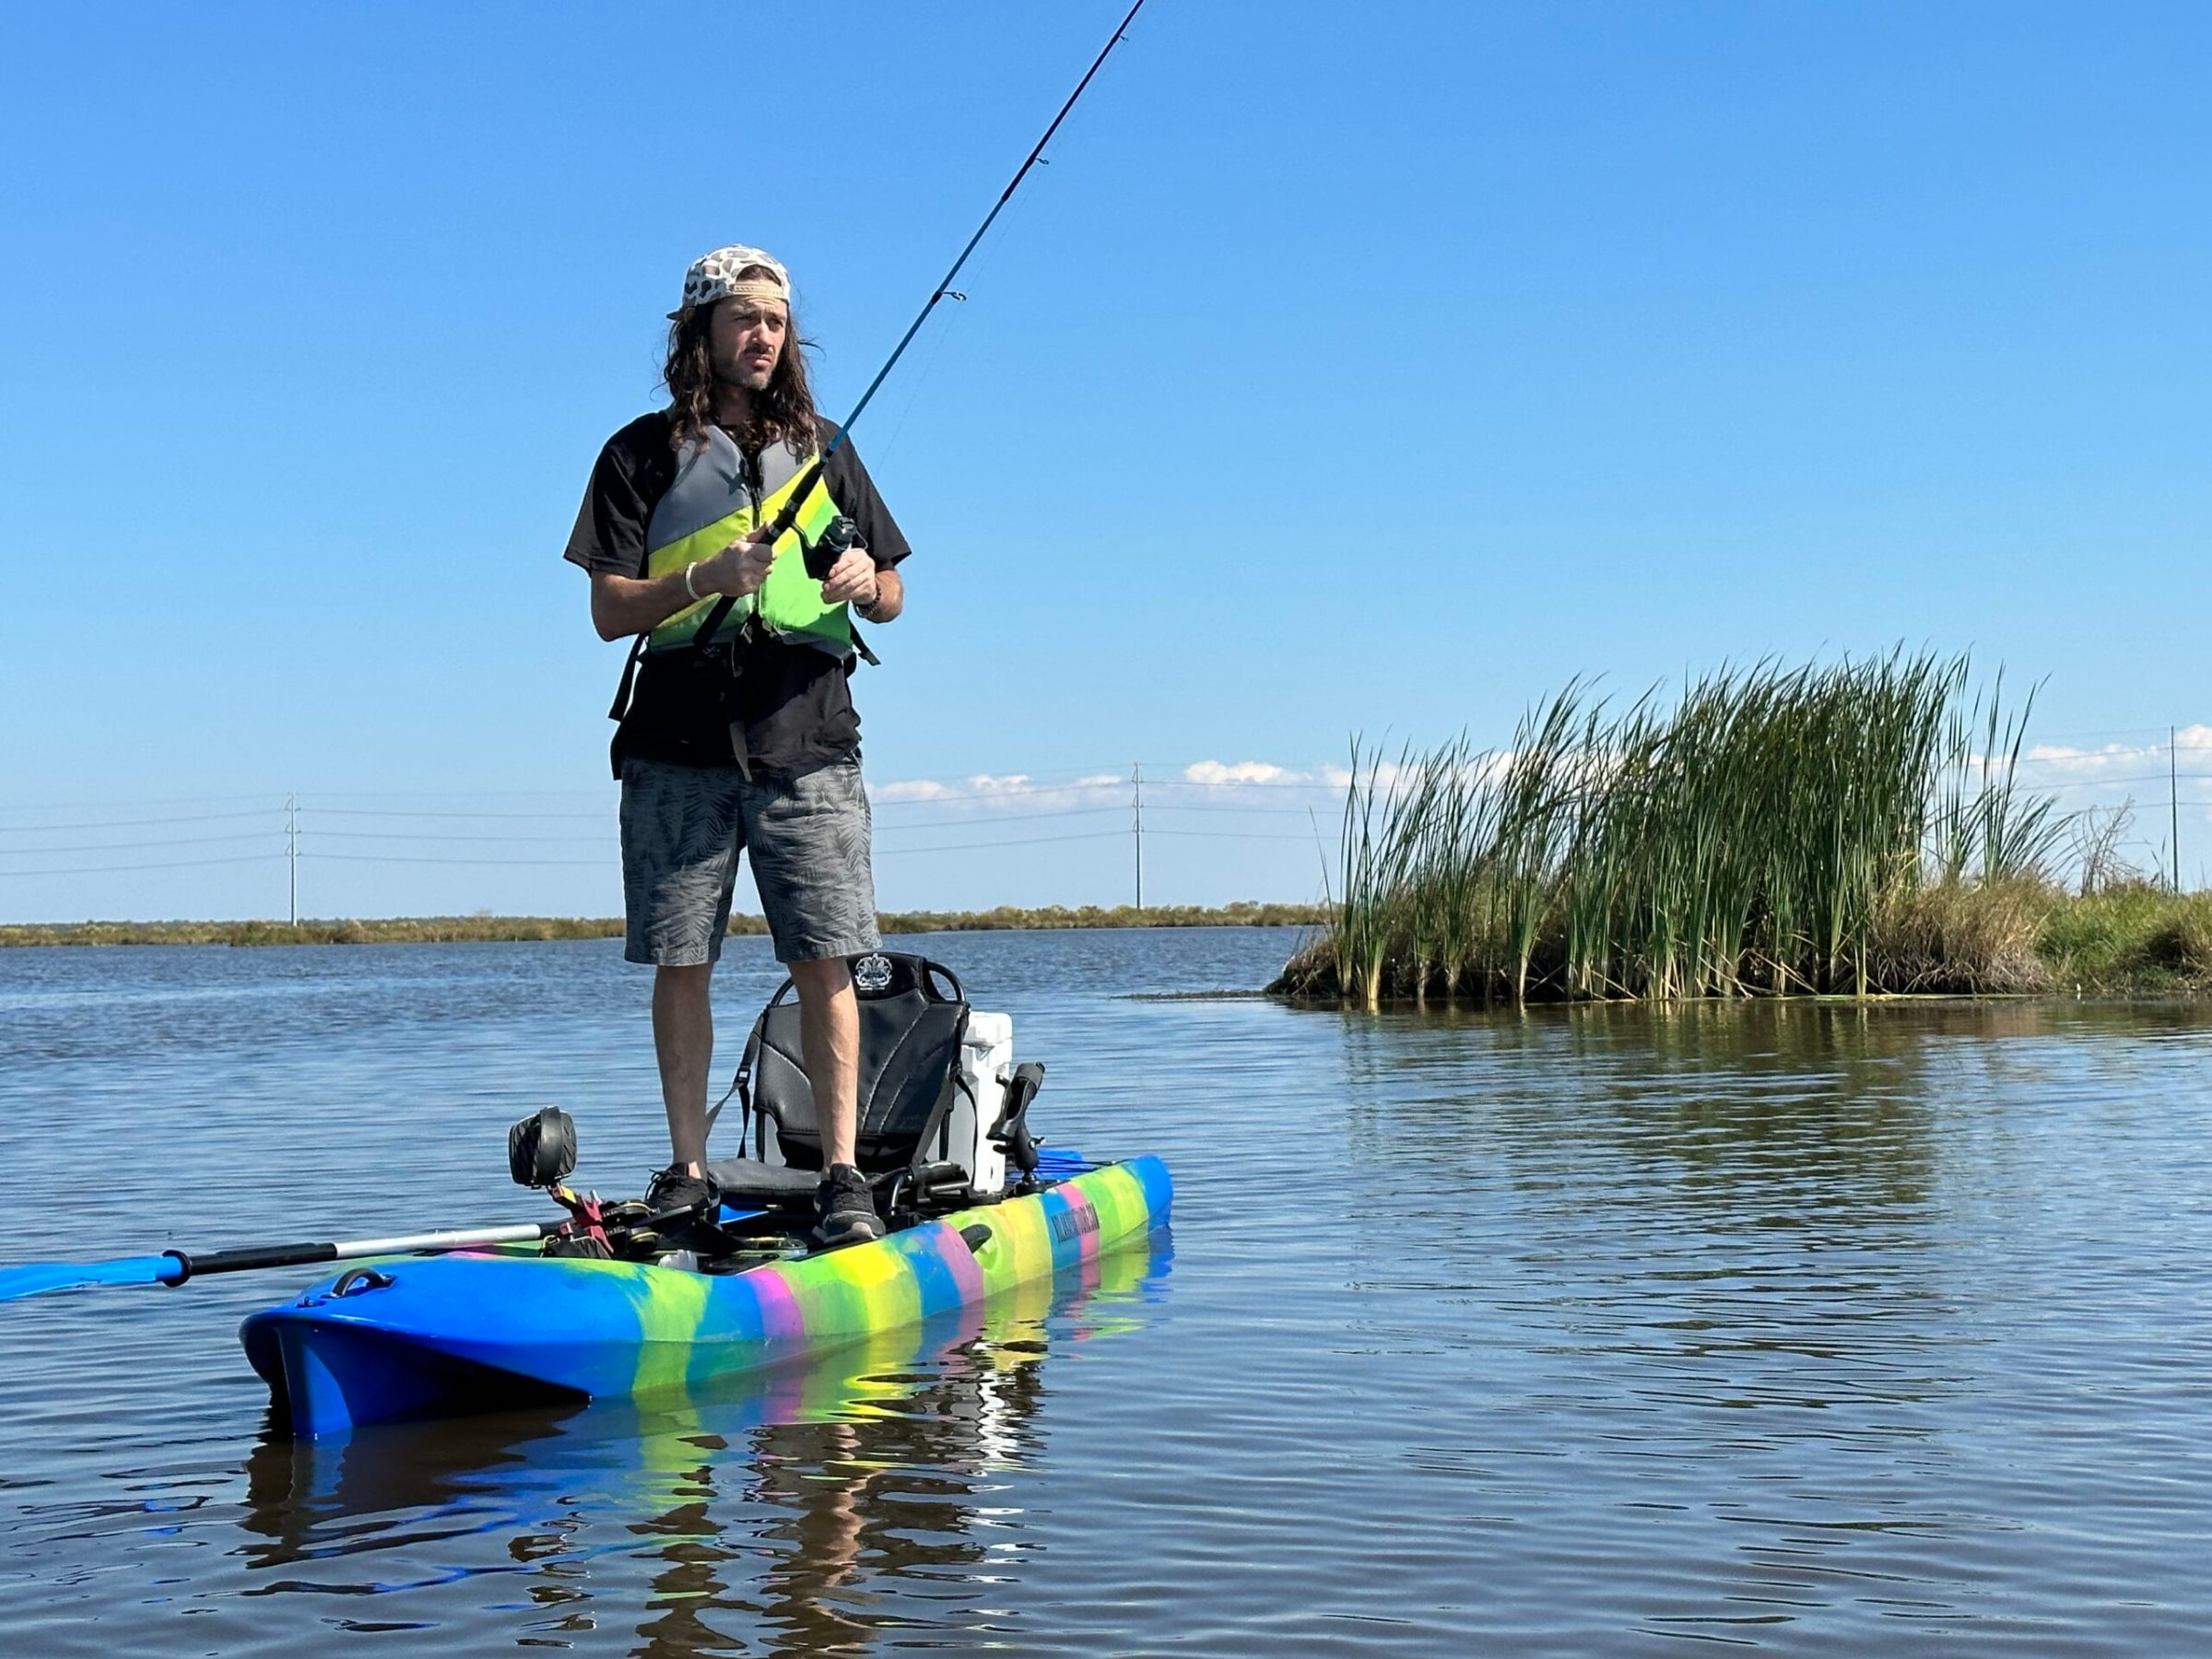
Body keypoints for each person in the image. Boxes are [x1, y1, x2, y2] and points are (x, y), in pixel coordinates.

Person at [562, 243, 910, 1246]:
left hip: (808, 741)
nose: (761, 337)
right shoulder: (638, 454)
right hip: (677, 743)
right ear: (701, 333)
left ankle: (843, 1175)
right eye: (742, 319)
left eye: (775, 320)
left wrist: (864, 586)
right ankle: (687, 1169)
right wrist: (701, 579)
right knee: (683, 961)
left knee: (828, 959)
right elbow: (606, 611)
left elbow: (892, 597)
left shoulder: (828, 447)